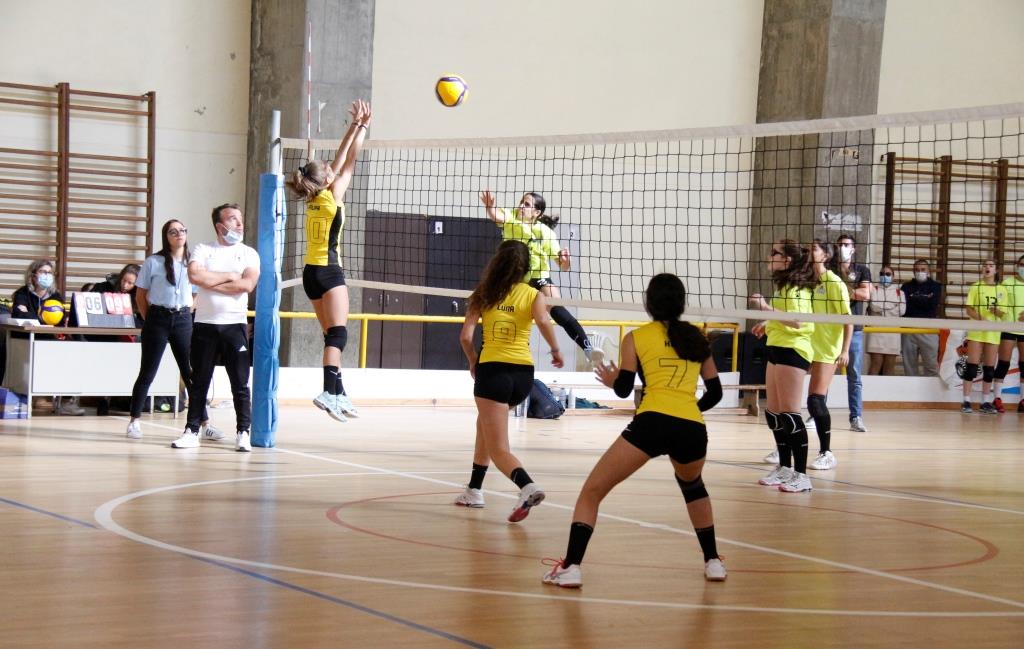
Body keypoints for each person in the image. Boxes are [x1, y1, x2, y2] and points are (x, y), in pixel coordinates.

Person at [541, 273, 726, 588]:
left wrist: (613, 380)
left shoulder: (637, 337)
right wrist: (690, 411)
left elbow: (624, 390)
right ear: (681, 303)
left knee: (592, 491)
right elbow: (715, 393)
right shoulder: (697, 337)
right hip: (693, 429)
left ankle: (571, 567)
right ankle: (713, 562)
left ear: (648, 303)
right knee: (693, 487)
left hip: (652, 423)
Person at [455, 240, 564, 522]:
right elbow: (543, 321)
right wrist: (555, 349)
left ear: (496, 262)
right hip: (523, 377)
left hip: (493, 373)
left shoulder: (483, 294)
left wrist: (472, 360)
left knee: (499, 448)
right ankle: (474, 490)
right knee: (485, 427)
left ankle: (527, 486)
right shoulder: (533, 294)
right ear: (526, 268)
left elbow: (466, 337)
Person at [285, 99, 371, 423]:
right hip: (329, 272)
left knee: (331, 337)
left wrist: (355, 125)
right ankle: (327, 392)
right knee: (338, 335)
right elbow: (350, 160)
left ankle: (339, 394)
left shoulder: (313, 196)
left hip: (309, 274)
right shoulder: (333, 196)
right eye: (328, 170)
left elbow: (338, 161)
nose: (332, 169)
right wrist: (362, 128)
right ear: (326, 180)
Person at [171, 203, 260, 451]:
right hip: (205, 325)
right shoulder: (203, 249)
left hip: (235, 326)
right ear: (220, 226)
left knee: (240, 384)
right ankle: (191, 431)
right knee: (199, 381)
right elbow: (196, 278)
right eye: (233, 219)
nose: (240, 224)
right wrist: (231, 276)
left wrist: (214, 281)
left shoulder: (249, 253)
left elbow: (247, 285)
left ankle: (243, 432)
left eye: (240, 219)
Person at [479, 190, 602, 365]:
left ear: (537, 213)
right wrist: (490, 207)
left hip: (539, 276)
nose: (521, 206)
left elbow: (563, 266)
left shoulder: (546, 233)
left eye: (527, 204)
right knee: (501, 314)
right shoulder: (511, 218)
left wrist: (566, 260)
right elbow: (496, 215)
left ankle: (588, 348)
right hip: (513, 279)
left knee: (557, 308)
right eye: (522, 202)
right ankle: (494, 358)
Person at [125, 220, 222, 441]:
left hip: (183, 319)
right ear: (166, 236)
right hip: (157, 318)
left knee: (190, 373)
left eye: (182, 230)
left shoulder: (194, 263)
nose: (179, 234)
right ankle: (134, 421)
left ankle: (204, 423)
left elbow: (197, 293)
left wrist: (187, 312)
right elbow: (141, 295)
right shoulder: (154, 262)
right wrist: (150, 317)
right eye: (173, 231)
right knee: (148, 371)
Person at [749, 239, 817, 493]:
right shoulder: (785, 286)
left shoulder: (797, 288)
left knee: (790, 413)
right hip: (777, 348)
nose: (770, 256)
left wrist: (765, 308)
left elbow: (797, 321)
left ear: (787, 260)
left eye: (774, 253)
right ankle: (785, 469)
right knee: (774, 412)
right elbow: (784, 315)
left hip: (793, 351)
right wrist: (768, 321)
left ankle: (802, 475)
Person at [11, 260, 83, 415]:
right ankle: (28, 397)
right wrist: (44, 318)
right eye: (43, 272)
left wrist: (32, 315)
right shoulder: (22, 293)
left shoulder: (56, 296)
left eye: (49, 272)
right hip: (23, 339)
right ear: (33, 275)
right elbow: (18, 313)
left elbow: (59, 319)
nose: (47, 275)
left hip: (48, 339)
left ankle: (65, 401)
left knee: (70, 355)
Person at [832, 234, 872, 432]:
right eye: (839, 245)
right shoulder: (830, 269)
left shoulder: (862, 270)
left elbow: (865, 294)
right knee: (825, 373)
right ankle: (815, 415)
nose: (843, 247)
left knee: (854, 377)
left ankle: (856, 417)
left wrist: (843, 290)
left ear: (853, 249)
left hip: (854, 329)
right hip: (831, 329)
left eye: (846, 245)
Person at [961, 260, 1009, 414]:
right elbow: (969, 310)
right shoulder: (976, 287)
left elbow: (1004, 313)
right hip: (977, 331)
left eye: (991, 265)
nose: (987, 267)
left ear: (996, 270)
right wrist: (981, 319)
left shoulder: (1002, 289)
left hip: (993, 333)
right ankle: (966, 401)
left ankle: (985, 402)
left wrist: (996, 311)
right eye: (985, 265)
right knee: (971, 368)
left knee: (989, 370)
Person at [992, 254, 1024, 413]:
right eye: (1022, 264)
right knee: (1003, 364)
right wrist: (996, 311)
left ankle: (1023, 401)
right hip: (1008, 327)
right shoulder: (1007, 283)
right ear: (1017, 266)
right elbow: (997, 303)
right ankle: (996, 398)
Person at [900, 259, 943, 376]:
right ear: (913, 272)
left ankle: (931, 393)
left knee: (931, 367)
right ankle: (911, 393)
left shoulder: (936, 286)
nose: (920, 272)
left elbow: (932, 305)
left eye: (923, 269)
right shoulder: (906, 286)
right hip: (908, 329)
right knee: (909, 368)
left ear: (928, 271)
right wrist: (924, 299)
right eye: (917, 270)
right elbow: (905, 308)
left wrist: (914, 299)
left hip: (928, 329)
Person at [866, 266, 906, 376]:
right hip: (876, 331)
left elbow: (901, 311)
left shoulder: (900, 293)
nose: (885, 276)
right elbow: (873, 306)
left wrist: (882, 308)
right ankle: (870, 390)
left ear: (893, 276)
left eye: (888, 274)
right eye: (882, 273)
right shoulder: (874, 289)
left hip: (893, 332)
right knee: (876, 364)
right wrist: (892, 306)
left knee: (889, 366)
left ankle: (888, 392)